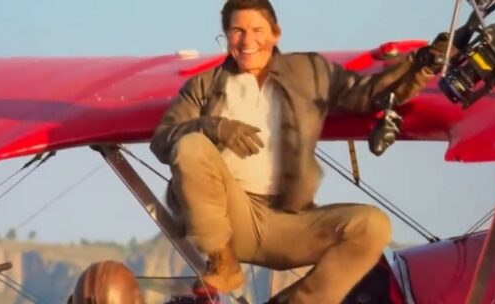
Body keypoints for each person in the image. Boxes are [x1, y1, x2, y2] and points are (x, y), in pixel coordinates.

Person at [150, 0, 447, 302]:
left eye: (257, 30)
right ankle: (222, 261)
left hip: (289, 221)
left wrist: (421, 64)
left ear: (276, 33)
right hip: (230, 217)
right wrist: (215, 127)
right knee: (191, 145)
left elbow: (369, 93)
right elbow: (162, 140)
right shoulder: (201, 86)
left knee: (373, 225)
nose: (247, 40)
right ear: (226, 36)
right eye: (237, 30)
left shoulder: (310, 71)